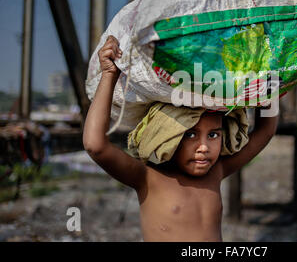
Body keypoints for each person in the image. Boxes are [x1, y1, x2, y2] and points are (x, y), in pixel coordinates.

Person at [83, 35, 279, 241]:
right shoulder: (148, 178)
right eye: (190, 135)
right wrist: (109, 74)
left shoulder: (216, 172)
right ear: (167, 136)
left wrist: (270, 81)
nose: (203, 147)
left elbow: (265, 131)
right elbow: (95, 146)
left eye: (213, 135)